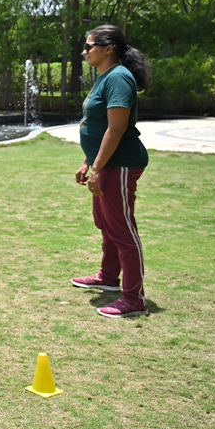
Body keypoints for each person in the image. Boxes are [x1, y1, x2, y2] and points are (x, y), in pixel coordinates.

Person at [70, 24, 152, 318]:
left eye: (89, 46)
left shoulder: (118, 78)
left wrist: (98, 167)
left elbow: (116, 129)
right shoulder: (106, 76)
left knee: (122, 230)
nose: (84, 52)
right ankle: (108, 277)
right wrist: (87, 161)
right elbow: (98, 126)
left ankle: (133, 298)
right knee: (106, 223)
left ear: (108, 49)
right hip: (105, 163)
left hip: (120, 163)